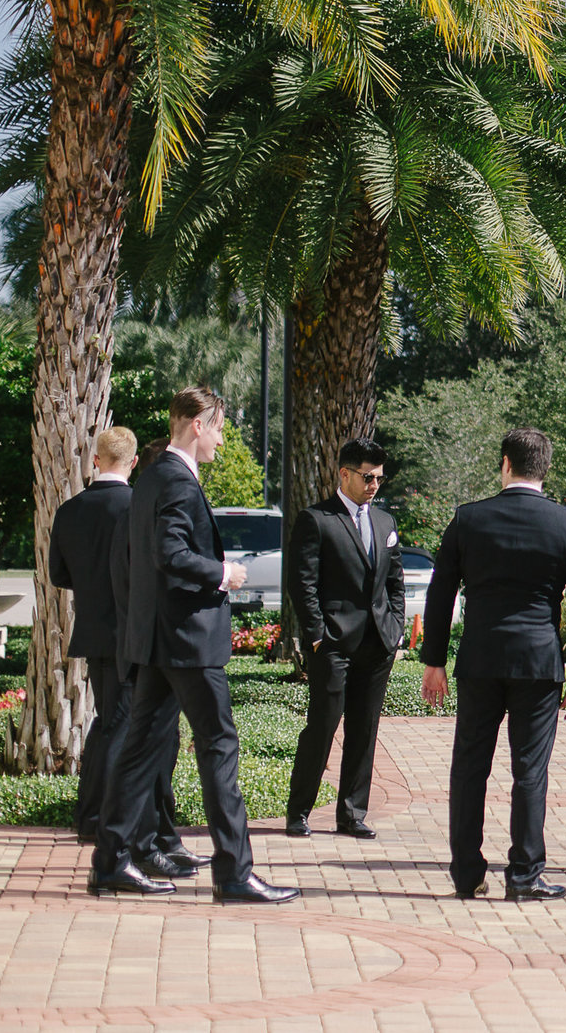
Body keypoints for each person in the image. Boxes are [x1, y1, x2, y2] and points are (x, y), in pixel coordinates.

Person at [90, 387, 298, 905]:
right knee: (219, 748)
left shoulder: (151, 476)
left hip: (159, 640)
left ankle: (110, 862)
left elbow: (133, 559)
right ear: (198, 425)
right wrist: (224, 573)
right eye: (221, 429)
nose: (222, 441)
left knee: (138, 753)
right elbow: (168, 553)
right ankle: (233, 873)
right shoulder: (176, 481)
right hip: (187, 641)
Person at [421, 428, 566, 900]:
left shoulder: (468, 518)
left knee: (469, 766)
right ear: (545, 469)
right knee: (530, 770)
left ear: (505, 464)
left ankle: (466, 873)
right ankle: (523, 875)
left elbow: (440, 592)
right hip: (538, 663)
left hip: (479, 659)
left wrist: (434, 659)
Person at [48, 426, 188, 874]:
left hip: (94, 631)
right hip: (134, 633)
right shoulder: (136, 506)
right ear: (132, 464)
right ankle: (114, 822)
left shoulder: (69, 510)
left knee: (108, 722)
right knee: (128, 728)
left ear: (95, 460)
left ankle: (91, 815)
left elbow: (59, 574)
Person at [284, 436, 406, 839]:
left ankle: (352, 815)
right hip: (333, 645)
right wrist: (317, 635)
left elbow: (394, 582)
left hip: (377, 645)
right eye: (368, 477)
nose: (374, 486)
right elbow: (302, 584)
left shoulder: (385, 523)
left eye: (379, 479)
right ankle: (299, 811)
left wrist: (396, 627)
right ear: (345, 474)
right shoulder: (316, 519)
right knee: (322, 726)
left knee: (364, 729)